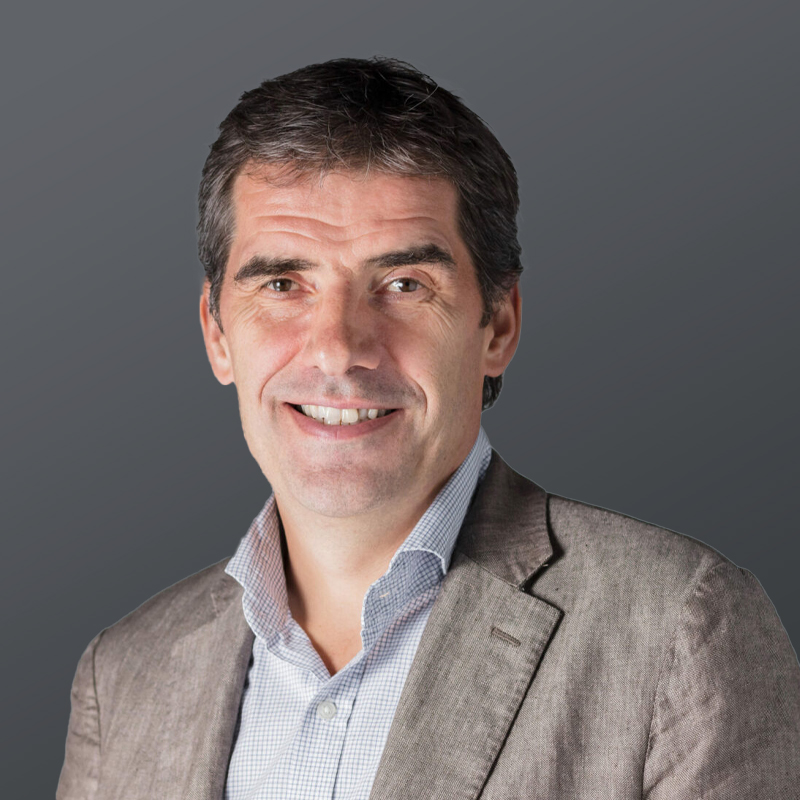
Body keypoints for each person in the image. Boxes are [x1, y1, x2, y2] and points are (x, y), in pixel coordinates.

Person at [57, 57, 800, 800]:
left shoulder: (679, 628)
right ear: (217, 334)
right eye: (283, 284)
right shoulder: (122, 677)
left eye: (404, 285)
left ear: (497, 326)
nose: (338, 349)